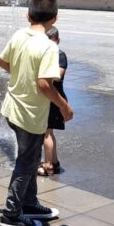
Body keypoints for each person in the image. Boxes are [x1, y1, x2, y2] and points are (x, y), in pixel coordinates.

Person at [0, 0, 73, 226]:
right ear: (56, 18)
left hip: (13, 107)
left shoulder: (20, 34)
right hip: (30, 114)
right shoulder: (49, 47)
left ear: (28, 15)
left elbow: (2, 62)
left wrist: (21, 74)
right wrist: (64, 105)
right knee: (27, 163)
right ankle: (11, 214)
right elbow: (44, 84)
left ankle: (29, 203)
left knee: (29, 159)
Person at [37, 26, 68, 177]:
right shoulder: (46, 55)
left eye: (52, 42)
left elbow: (58, 75)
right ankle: (54, 162)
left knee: (46, 133)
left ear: (58, 41)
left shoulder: (59, 55)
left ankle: (48, 164)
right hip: (49, 97)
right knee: (48, 131)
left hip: (55, 98)